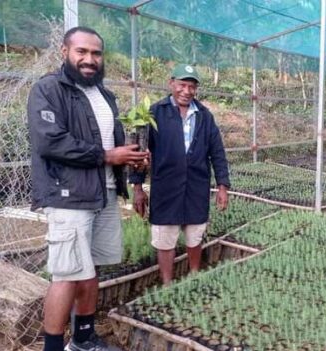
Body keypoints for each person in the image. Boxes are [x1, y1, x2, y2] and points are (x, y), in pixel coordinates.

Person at [27, 26, 148, 351]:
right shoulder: (49, 89)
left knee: (90, 268)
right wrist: (109, 155)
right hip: (69, 197)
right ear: (65, 52)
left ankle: (83, 339)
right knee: (65, 275)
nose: (89, 59)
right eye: (82, 51)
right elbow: (50, 141)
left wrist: (130, 158)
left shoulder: (104, 95)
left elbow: (110, 142)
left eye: (96, 53)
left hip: (104, 192)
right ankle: (53, 347)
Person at [130, 64, 230, 285]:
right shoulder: (155, 112)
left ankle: (193, 277)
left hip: (196, 186)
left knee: (195, 234)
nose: (186, 91)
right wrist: (137, 188)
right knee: (165, 237)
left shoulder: (204, 115)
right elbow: (138, 152)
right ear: (171, 84)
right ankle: (167, 283)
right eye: (182, 85)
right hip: (166, 187)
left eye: (191, 86)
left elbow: (217, 152)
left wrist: (222, 185)